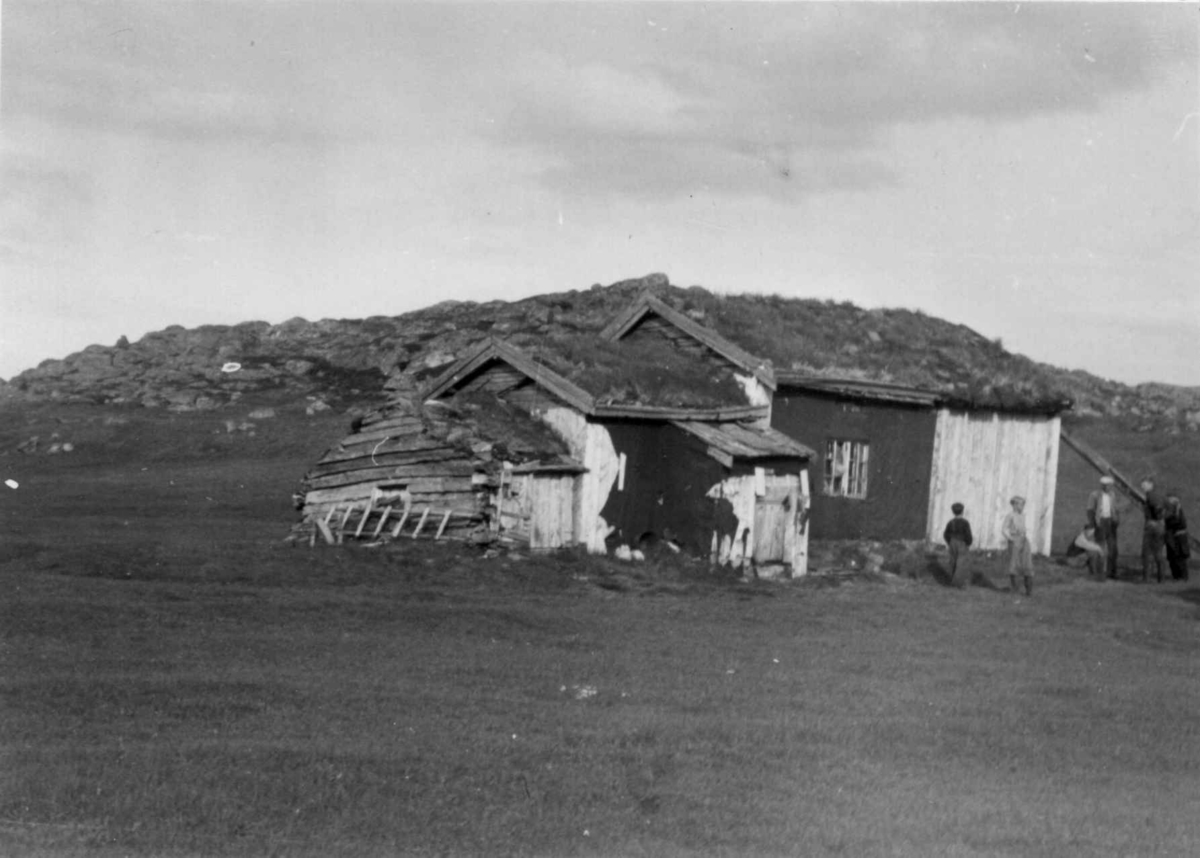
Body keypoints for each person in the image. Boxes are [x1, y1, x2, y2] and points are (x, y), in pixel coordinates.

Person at [1086, 475, 1121, 579]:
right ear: (1102, 485)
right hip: (1100, 522)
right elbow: (1090, 510)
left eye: (1109, 485)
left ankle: (1111, 572)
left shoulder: (1112, 495)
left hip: (1110, 522)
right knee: (1100, 547)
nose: (1107, 487)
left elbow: (1115, 509)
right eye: (1104, 485)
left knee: (1113, 548)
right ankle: (1099, 572)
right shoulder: (1095, 495)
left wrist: (1116, 520)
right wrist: (1093, 523)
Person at [1002, 495, 1034, 596]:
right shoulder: (1010, 515)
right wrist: (1010, 538)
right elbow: (1004, 529)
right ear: (1015, 505)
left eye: (1023, 505)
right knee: (1014, 563)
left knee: (1027, 564)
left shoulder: (1023, 515)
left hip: (1024, 540)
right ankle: (1015, 589)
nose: (1022, 507)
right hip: (1015, 540)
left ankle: (1029, 590)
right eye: (1020, 504)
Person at [1140, 476, 1168, 583]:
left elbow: (1157, 509)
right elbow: (1166, 506)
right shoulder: (1158, 494)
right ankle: (1161, 578)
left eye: (1144, 485)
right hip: (1160, 526)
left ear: (1150, 484)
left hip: (1152, 526)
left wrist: (1157, 517)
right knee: (1158, 553)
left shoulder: (1151, 495)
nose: (1142, 487)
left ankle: (1146, 578)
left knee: (1146, 553)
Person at [942, 502, 974, 588]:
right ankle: (957, 583)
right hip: (961, 543)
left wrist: (949, 542)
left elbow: (945, 534)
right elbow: (968, 534)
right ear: (962, 511)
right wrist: (968, 542)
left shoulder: (951, 522)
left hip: (952, 542)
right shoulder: (965, 523)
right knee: (961, 563)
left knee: (953, 561)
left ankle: (952, 579)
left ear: (953, 512)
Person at [1164, 493, 1190, 582]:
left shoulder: (1178, 510)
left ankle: (1183, 577)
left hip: (1179, 536)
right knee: (1172, 558)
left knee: (1180, 558)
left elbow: (1181, 523)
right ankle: (1176, 577)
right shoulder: (1172, 510)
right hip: (1172, 536)